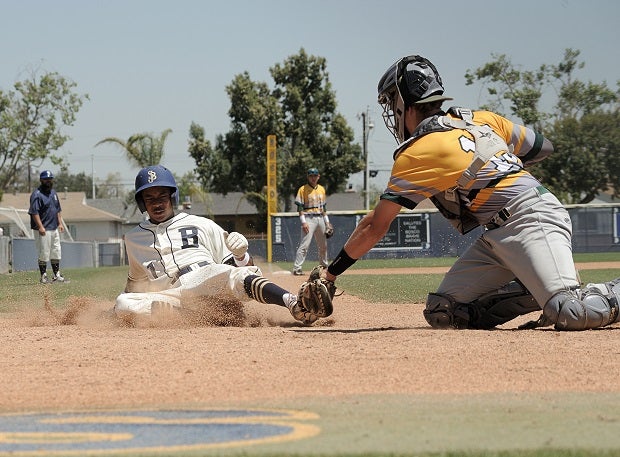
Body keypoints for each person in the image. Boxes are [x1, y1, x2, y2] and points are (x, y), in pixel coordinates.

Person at [323, 54, 620, 331]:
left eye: (391, 101)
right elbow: (542, 146)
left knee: (570, 311)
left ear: (404, 104)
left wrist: (330, 275)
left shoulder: (417, 151)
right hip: (498, 234)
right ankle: (531, 281)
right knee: (445, 311)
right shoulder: (482, 120)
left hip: (531, 217)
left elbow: (375, 226)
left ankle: (579, 293)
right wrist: (500, 162)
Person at [115, 164, 328, 325]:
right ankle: (199, 317)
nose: (157, 202)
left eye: (162, 195)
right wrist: (117, 308)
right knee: (123, 303)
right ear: (142, 203)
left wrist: (241, 256)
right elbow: (135, 286)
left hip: (206, 279)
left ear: (172, 197)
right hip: (172, 296)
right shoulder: (133, 239)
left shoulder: (201, 224)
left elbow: (239, 272)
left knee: (233, 274)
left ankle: (295, 304)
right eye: (150, 198)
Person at [292, 168, 332, 276]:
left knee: (323, 245)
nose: (313, 178)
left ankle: (324, 266)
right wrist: (303, 222)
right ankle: (297, 268)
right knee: (304, 245)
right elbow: (300, 207)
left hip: (320, 218)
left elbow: (324, 208)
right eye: (311, 176)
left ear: (318, 176)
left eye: (315, 176)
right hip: (308, 218)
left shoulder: (322, 189)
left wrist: (327, 222)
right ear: (308, 177)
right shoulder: (303, 189)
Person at [28, 170, 65, 284]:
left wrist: (59, 223)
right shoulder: (37, 194)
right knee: (44, 252)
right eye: (46, 179)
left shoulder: (53, 193)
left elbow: (57, 209)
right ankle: (43, 276)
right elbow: (34, 212)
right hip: (43, 229)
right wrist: (40, 227)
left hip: (54, 227)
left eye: (50, 179)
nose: (48, 181)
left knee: (56, 251)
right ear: (41, 180)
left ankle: (56, 275)